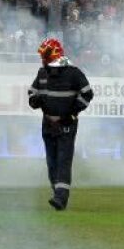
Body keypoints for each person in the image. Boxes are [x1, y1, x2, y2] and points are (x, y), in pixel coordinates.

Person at [27, 38, 93, 211]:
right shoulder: (42, 73)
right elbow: (32, 94)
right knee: (51, 161)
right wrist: (35, 100)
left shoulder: (74, 73)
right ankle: (56, 192)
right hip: (47, 122)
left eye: (45, 56)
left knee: (63, 160)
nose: (42, 59)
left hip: (67, 123)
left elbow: (87, 94)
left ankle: (61, 198)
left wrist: (71, 114)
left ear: (54, 55)